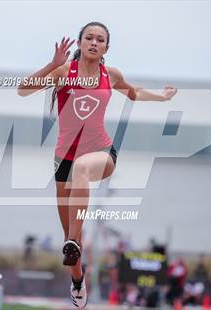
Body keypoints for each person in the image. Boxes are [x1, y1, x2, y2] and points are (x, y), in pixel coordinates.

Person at [18, 21, 177, 308]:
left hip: (101, 152)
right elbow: (22, 90)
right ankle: (77, 277)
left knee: (82, 168)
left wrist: (161, 96)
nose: (94, 42)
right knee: (71, 245)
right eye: (88, 38)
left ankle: (73, 243)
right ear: (79, 43)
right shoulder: (64, 72)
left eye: (100, 39)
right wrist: (50, 64)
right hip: (63, 160)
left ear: (106, 47)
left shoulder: (111, 75)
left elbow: (134, 92)